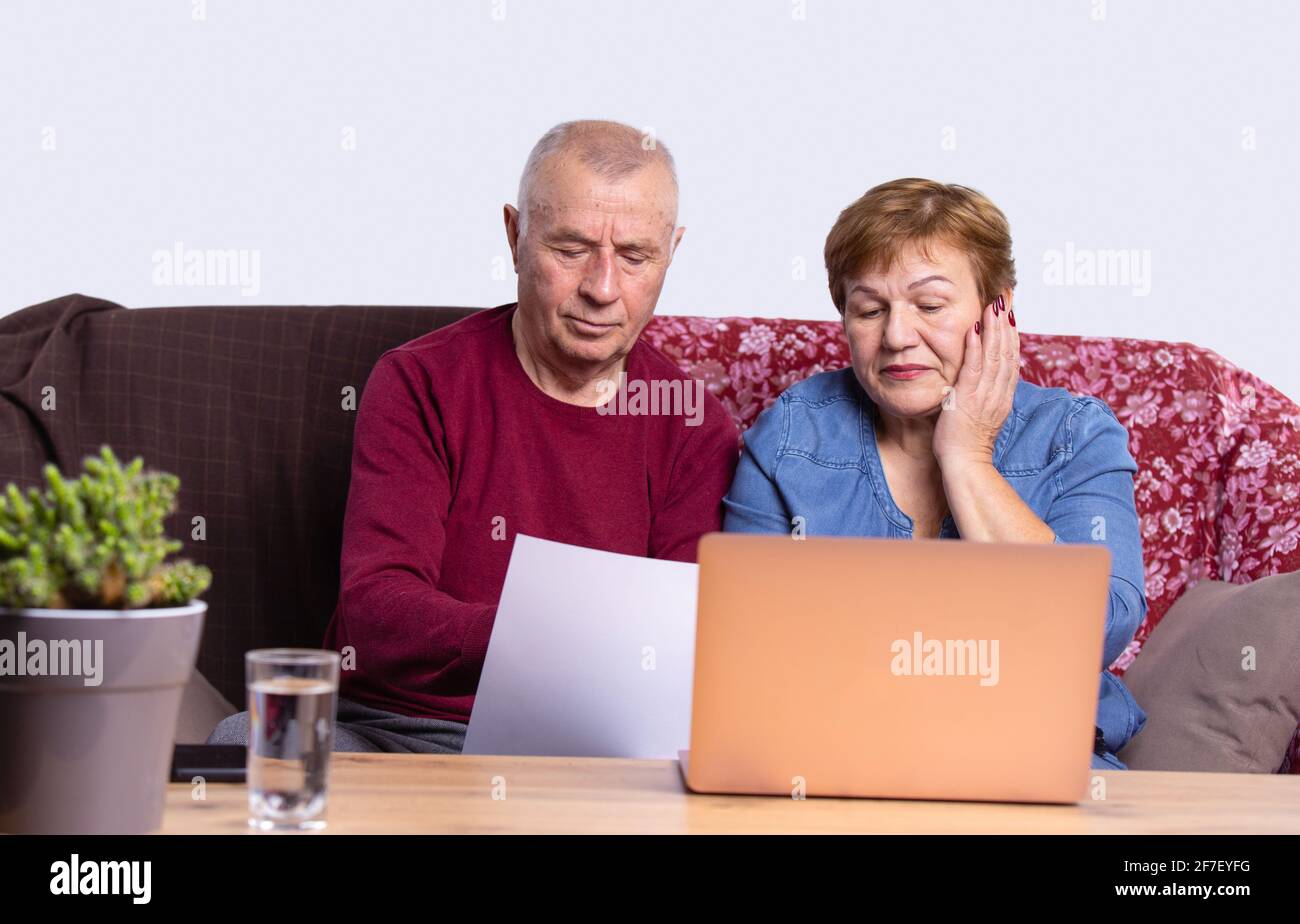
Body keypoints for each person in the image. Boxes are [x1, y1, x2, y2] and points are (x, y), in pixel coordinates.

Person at [208, 120, 739, 752]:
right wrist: (551, 639)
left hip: (587, 748)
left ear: (670, 253)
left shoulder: (694, 425)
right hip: (394, 729)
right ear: (515, 236)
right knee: (246, 739)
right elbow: (377, 608)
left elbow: (678, 649)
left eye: (634, 257)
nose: (602, 289)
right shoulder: (418, 382)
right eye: (570, 250)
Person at [722, 178, 1148, 769]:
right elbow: (742, 643)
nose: (897, 337)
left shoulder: (1075, 436)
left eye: (929, 306)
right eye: (869, 309)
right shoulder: (793, 434)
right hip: (831, 751)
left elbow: (1091, 632)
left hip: (1030, 753)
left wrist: (967, 457)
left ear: (996, 308)